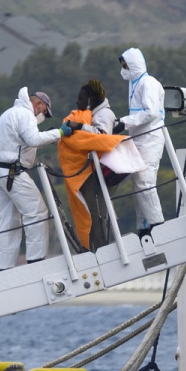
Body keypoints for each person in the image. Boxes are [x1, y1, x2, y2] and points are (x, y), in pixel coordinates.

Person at [0, 87, 73, 271]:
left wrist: (50, 137)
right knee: (37, 212)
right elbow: (34, 139)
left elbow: (22, 144)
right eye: (44, 111)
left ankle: (4, 268)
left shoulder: (9, 113)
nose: (42, 116)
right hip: (13, 172)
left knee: (8, 221)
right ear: (39, 104)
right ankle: (36, 261)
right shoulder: (26, 114)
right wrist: (59, 133)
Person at [58, 79, 125, 251]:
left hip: (103, 172)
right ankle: (94, 245)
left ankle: (99, 247)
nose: (77, 102)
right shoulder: (94, 114)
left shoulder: (104, 114)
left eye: (80, 99)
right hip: (95, 171)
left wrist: (79, 126)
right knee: (92, 208)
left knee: (96, 210)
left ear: (90, 100)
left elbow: (101, 137)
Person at [114, 48, 166, 236]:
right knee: (138, 184)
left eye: (126, 65)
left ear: (134, 64)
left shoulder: (148, 83)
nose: (123, 69)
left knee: (145, 182)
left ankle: (157, 226)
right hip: (139, 141)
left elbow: (151, 112)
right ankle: (143, 227)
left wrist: (124, 122)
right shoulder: (135, 84)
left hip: (150, 140)